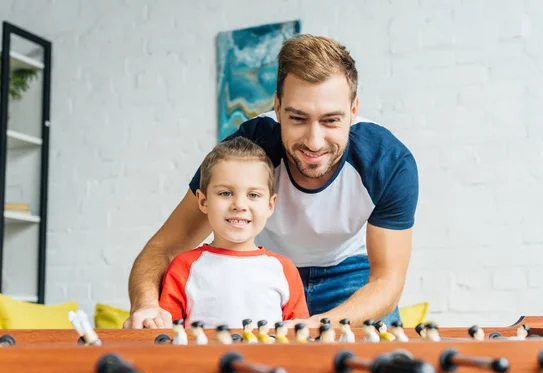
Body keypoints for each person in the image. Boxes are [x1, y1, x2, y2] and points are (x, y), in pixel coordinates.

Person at [124, 34, 419, 330]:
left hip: (350, 275)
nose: (314, 142)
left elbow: (386, 280)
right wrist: (147, 306)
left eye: (330, 120)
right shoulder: (247, 148)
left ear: (353, 110)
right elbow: (163, 247)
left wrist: (320, 324)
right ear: (277, 108)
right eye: (298, 119)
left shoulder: (388, 162)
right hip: (261, 270)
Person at [157, 137, 309, 329]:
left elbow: (301, 338)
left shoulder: (284, 269)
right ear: (203, 202)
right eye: (225, 193)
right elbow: (167, 336)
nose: (239, 205)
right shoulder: (183, 267)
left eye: (253, 195)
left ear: (270, 205)